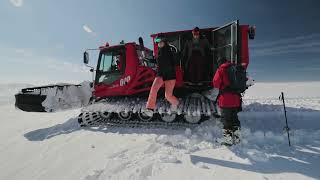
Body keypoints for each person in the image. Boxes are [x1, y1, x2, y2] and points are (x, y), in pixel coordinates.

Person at [144, 37, 179, 116]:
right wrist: (149, 60)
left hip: (170, 76)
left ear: (164, 41)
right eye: (157, 42)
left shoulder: (170, 51)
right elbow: (157, 61)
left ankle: (175, 103)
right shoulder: (159, 53)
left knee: (168, 96)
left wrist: (171, 66)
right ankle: (150, 109)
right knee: (153, 89)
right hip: (160, 75)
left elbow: (175, 61)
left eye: (160, 41)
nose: (158, 43)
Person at [213, 57, 241, 145]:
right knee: (234, 118)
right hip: (236, 99)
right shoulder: (235, 68)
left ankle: (228, 140)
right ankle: (237, 138)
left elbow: (216, 83)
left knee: (226, 119)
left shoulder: (221, 69)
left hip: (226, 99)